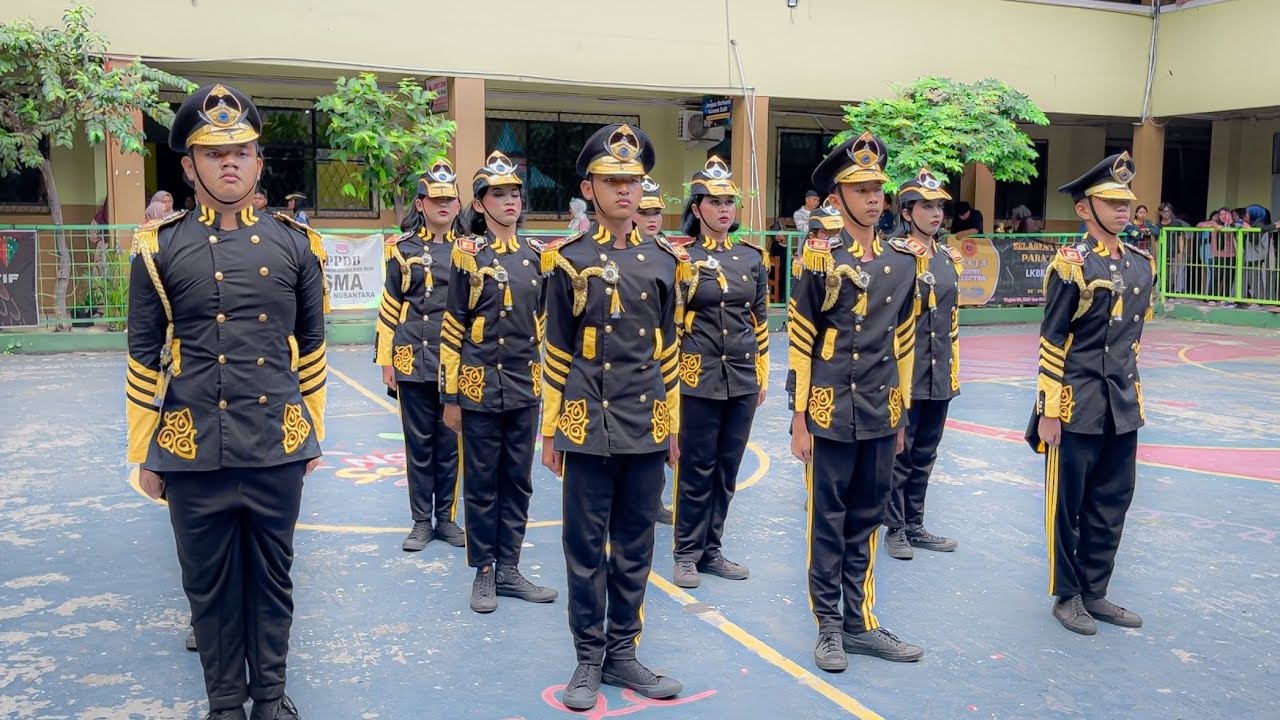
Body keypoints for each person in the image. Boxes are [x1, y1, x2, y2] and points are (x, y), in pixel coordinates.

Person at [126, 83, 328, 720]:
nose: (230, 163)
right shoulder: (157, 248)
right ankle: (224, 706)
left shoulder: (297, 244)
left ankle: (269, 699)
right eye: (214, 154)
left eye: (242, 151)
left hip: (275, 443)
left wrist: (309, 437)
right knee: (208, 588)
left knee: (272, 581)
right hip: (191, 447)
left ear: (259, 162)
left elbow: (313, 349)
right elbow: (141, 356)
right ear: (189, 167)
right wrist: (144, 454)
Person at [539, 123, 686, 710]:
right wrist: (551, 431)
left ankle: (624, 652)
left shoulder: (666, 261)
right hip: (586, 422)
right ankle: (588, 658)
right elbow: (555, 351)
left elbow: (671, 351)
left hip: (646, 422)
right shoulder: (568, 261)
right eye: (612, 181)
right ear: (589, 188)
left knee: (635, 544)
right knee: (583, 545)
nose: (625, 191)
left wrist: (672, 425)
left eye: (633, 181)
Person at [787, 131, 924, 672]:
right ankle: (829, 627)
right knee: (829, 521)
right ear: (837, 197)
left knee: (867, 519)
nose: (873, 198)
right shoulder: (821, 257)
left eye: (878, 189)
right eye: (860, 189)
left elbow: (904, 341)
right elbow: (800, 338)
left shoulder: (901, 260)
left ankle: (861, 621)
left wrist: (901, 415)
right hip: (826, 411)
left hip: (880, 410)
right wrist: (798, 419)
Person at [1025, 151, 1152, 637]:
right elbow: (1052, 339)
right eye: (1111, 203)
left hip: (1122, 403)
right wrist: (1049, 412)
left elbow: (1131, 340)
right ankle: (1069, 594)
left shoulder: (1141, 265)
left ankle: (1096, 591)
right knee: (1068, 505)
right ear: (1085, 210)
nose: (1123, 211)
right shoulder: (1071, 265)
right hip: (1074, 403)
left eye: (1126, 204)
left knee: (1113, 499)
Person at [439, 150, 557, 614]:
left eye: (514, 193)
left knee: (518, 481)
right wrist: (450, 396)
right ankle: (483, 571)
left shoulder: (538, 256)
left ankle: (509, 567)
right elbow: (452, 328)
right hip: (477, 387)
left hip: (524, 389)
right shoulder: (469, 257)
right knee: (482, 482)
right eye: (498, 194)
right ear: (481, 203)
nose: (510, 201)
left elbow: (543, 323)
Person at [671, 156, 768, 588]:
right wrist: (669, 384)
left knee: (727, 468)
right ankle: (686, 553)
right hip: (697, 376)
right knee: (696, 467)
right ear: (696, 209)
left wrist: (761, 372)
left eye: (729, 201)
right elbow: (670, 325)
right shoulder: (680, 258)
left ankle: (713, 549)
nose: (724, 209)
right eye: (714, 202)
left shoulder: (751, 258)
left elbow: (760, 320)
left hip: (742, 377)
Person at [375, 159, 466, 552]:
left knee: (450, 443)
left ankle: (445, 519)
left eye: (449, 199)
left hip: (454, 361)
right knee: (418, 444)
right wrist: (386, 360)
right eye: (435, 198)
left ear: (459, 205)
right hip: (411, 355)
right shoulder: (401, 250)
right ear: (422, 203)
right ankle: (419, 521)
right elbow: (390, 305)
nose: (443, 205)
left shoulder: (469, 251)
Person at [883, 169, 962, 561]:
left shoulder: (947, 259)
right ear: (907, 212)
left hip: (939, 371)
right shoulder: (893, 256)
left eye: (939, 207)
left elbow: (950, 321)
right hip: (904, 371)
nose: (935, 214)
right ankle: (894, 527)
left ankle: (915, 522)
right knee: (901, 450)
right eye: (926, 206)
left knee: (926, 452)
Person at [636, 174, 675, 527]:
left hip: (668, 355)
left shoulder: (671, 256)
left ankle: (656, 498)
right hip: (633, 358)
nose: (651, 218)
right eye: (644, 211)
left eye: (656, 212)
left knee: (664, 432)